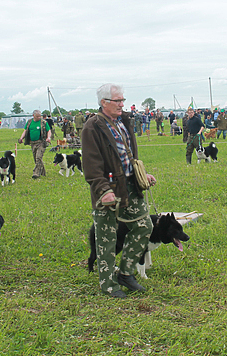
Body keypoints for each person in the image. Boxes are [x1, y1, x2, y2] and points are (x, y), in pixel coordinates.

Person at [81, 83, 156, 299]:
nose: (122, 104)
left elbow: (127, 154)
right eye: (118, 101)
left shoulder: (123, 121)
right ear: (104, 103)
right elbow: (91, 164)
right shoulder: (92, 127)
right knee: (106, 236)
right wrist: (103, 189)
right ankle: (108, 284)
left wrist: (141, 173)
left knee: (144, 226)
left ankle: (125, 272)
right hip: (107, 190)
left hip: (130, 184)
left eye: (123, 100)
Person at [18, 110, 51, 179]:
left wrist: (48, 137)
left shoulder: (43, 122)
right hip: (32, 143)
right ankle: (43, 173)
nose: (39, 117)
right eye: (37, 116)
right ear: (33, 116)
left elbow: (49, 131)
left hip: (41, 142)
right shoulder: (29, 122)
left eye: (40, 116)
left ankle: (36, 173)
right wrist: (21, 138)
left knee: (38, 157)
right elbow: (25, 131)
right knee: (36, 159)